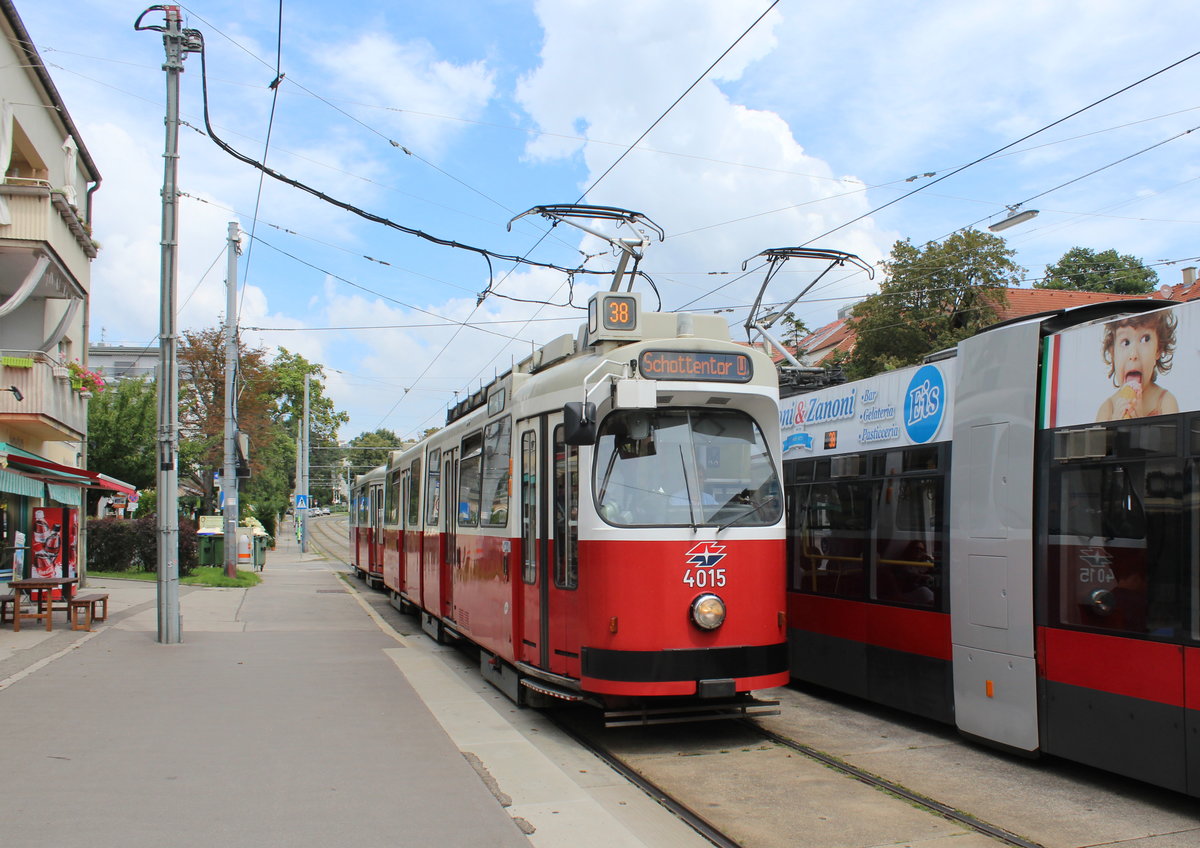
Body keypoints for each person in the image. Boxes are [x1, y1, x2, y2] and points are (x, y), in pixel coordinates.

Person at [1096, 311, 1179, 422]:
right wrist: (1114, 424)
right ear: (1113, 353)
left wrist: (1140, 424)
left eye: (1145, 339)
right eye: (1125, 342)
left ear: (1158, 350)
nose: (1133, 354)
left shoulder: (1166, 402)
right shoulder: (1107, 408)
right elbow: (1100, 439)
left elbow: (1171, 439)